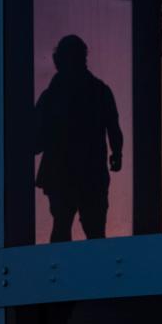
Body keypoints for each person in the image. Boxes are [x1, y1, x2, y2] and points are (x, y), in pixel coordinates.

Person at [34, 34, 123, 242]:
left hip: (65, 171)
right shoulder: (98, 91)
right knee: (90, 230)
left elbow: (37, 131)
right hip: (86, 171)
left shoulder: (52, 95)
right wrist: (116, 153)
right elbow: (113, 126)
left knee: (64, 226)